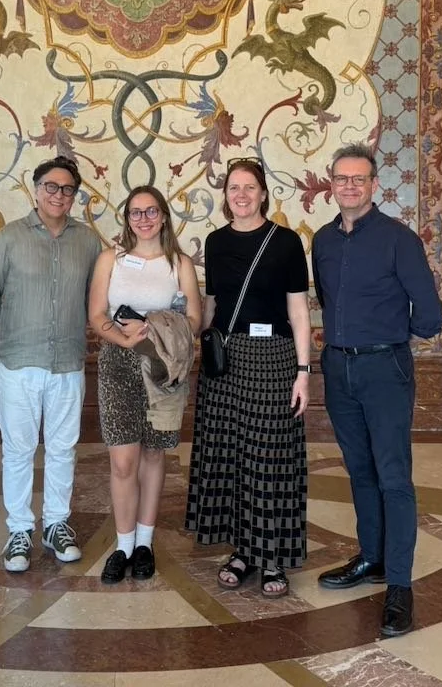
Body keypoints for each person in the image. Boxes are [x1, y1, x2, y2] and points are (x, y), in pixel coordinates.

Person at [311, 142, 442, 637]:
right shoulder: (322, 241)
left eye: (358, 179)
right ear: (332, 184)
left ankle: (400, 588)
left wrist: (386, 337)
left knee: (393, 476)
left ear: (373, 185)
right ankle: (372, 558)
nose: (349, 186)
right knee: (360, 470)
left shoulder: (398, 239)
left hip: (384, 368)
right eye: (341, 178)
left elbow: (430, 316)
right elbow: (327, 299)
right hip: (338, 368)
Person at [184, 158, 311, 598]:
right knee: (234, 456)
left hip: (275, 359)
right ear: (226, 196)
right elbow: (213, 305)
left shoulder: (287, 242)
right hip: (228, 360)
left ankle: (272, 555)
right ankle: (242, 551)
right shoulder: (215, 243)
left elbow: (298, 312)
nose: (241, 195)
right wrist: (189, 339)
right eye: (234, 187)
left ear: (262, 194)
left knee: (270, 459)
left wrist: (303, 372)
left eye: (249, 187)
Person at [0, 156, 101, 571]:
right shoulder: (9, 238)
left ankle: (56, 524)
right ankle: (18, 531)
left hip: (68, 363)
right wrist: (20, 326)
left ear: (74, 195)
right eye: (51, 186)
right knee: (18, 450)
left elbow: (94, 301)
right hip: (19, 363)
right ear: (35, 189)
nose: (59, 195)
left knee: (63, 448)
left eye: (67, 189)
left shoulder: (87, 242)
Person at [87, 186, 202, 583]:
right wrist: (124, 338)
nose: (144, 219)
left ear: (164, 216)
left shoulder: (179, 263)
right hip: (118, 363)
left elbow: (193, 322)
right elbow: (97, 314)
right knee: (123, 461)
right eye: (136, 213)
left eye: (151, 211)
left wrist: (150, 328)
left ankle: (144, 543)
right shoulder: (110, 259)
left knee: (154, 455)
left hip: (163, 365)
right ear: (127, 219)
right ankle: (122, 545)